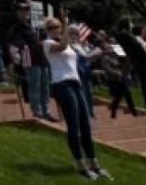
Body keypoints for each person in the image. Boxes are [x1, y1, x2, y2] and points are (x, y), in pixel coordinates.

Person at [44, 17, 111, 180]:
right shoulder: (47, 43)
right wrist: (67, 28)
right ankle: (81, 165)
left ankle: (94, 165)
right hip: (62, 85)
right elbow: (61, 47)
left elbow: (84, 58)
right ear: (47, 30)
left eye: (56, 26)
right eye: (51, 27)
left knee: (85, 125)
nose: (54, 29)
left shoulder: (71, 44)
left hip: (76, 84)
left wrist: (101, 51)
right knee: (74, 126)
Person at [6, 0, 54, 121]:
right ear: (17, 12)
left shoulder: (36, 25)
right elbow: (15, 45)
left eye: (27, 10)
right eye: (22, 10)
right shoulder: (16, 28)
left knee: (45, 86)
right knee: (35, 86)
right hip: (30, 60)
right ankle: (37, 112)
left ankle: (46, 111)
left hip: (42, 59)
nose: (25, 13)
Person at [99, 41, 137, 118]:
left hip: (122, 78)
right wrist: (116, 72)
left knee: (126, 95)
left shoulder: (115, 55)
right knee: (119, 96)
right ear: (104, 50)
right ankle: (114, 112)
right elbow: (107, 69)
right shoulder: (105, 58)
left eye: (110, 47)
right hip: (115, 80)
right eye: (108, 48)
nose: (110, 49)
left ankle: (133, 112)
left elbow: (120, 64)